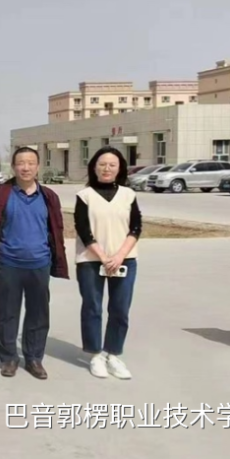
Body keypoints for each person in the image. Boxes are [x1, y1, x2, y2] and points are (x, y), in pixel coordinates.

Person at [0, 147, 68, 380]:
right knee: (6, 313)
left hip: (39, 263)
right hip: (8, 263)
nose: (26, 167)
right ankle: (9, 357)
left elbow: (56, 230)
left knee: (38, 313)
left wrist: (56, 260)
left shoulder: (48, 196)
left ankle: (34, 358)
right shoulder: (3, 194)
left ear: (38, 167)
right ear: (13, 166)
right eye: (21, 163)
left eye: (31, 163)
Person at [74, 146, 142, 380]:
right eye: (102, 164)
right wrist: (103, 257)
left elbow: (136, 227)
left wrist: (120, 255)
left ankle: (112, 354)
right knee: (92, 307)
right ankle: (95, 355)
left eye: (112, 165)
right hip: (91, 261)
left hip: (124, 261)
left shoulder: (128, 195)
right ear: (94, 167)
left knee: (120, 309)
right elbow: (83, 229)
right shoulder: (85, 196)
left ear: (120, 168)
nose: (107, 168)